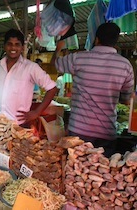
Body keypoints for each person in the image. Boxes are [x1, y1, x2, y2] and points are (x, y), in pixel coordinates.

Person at [53, 22, 134, 157]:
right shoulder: (125, 66)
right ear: (115, 42)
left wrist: (57, 50)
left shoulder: (79, 58)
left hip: (79, 130)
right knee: (98, 175)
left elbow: (54, 65)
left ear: (96, 39)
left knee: (74, 171)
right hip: (106, 132)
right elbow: (126, 100)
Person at [0, 29, 57, 125]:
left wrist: (37, 112)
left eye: (17, 44)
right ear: (5, 46)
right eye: (9, 44)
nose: (13, 48)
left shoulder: (31, 67)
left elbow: (52, 88)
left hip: (20, 124)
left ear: (22, 47)